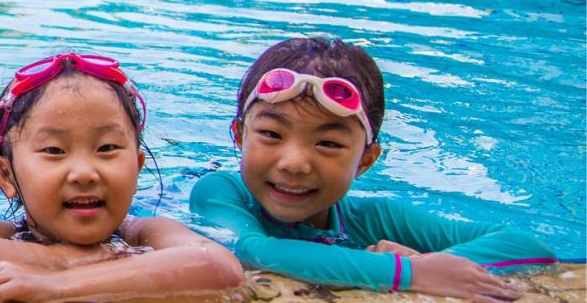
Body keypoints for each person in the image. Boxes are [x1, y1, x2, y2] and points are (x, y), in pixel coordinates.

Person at [190, 37, 556, 302]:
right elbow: (255, 250)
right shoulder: (219, 192)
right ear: (239, 135)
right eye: (271, 134)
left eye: (328, 144)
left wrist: (439, 264)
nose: (294, 163)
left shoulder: (374, 217)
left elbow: (530, 247)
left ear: (366, 159)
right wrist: (408, 273)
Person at [0, 53, 244, 301]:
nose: (85, 173)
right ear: (5, 175)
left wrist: (59, 284)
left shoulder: (144, 233)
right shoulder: (1, 234)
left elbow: (218, 266)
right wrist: (61, 258)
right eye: (54, 151)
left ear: (138, 166)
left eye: (107, 149)